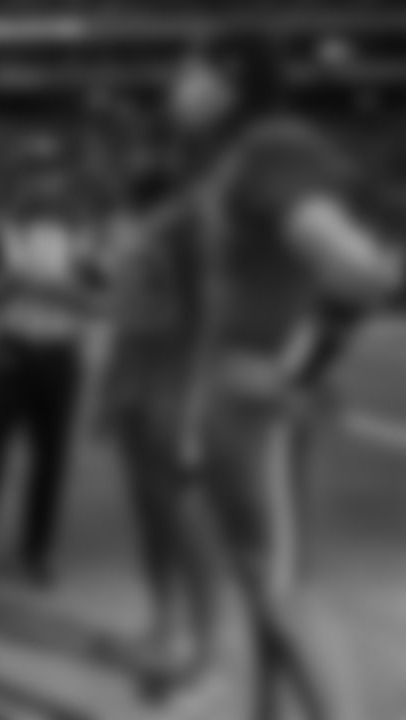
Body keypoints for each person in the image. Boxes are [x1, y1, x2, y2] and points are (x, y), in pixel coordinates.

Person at [101, 41, 403, 720]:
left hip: (251, 399)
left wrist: (302, 369)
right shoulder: (229, 163)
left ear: (228, 82)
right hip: (225, 399)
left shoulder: (273, 147)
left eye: (188, 71)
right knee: (259, 583)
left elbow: (362, 271)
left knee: (283, 590)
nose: (174, 84)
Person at [0, 207, 101, 588]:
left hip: (59, 355)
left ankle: (37, 551)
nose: (45, 191)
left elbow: (99, 301)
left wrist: (59, 290)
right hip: (10, 353)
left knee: (51, 460)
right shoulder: (2, 239)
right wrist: (9, 283)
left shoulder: (81, 243)